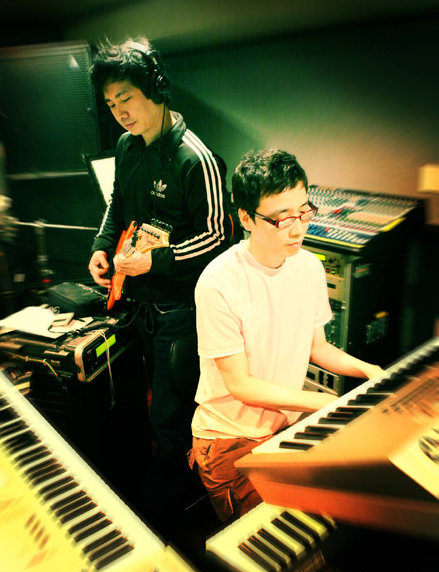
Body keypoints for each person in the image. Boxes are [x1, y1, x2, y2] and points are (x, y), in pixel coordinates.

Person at [189, 148, 384, 522]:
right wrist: (325, 403)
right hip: (230, 440)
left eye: (303, 212)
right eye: (281, 219)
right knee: (278, 535)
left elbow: (318, 348)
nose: (297, 229)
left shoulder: (308, 267)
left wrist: (369, 370)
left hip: (286, 426)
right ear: (246, 217)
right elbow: (242, 386)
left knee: (348, 509)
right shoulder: (217, 283)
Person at [88, 37, 233, 524]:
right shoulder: (126, 147)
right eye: (111, 104)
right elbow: (118, 204)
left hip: (180, 314)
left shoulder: (197, 158)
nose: (119, 113)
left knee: (169, 419)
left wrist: (157, 262)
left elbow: (219, 237)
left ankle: (170, 519)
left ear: (155, 88)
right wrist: (101, 247)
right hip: (137, 306)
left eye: (126, 98)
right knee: (138, 408)